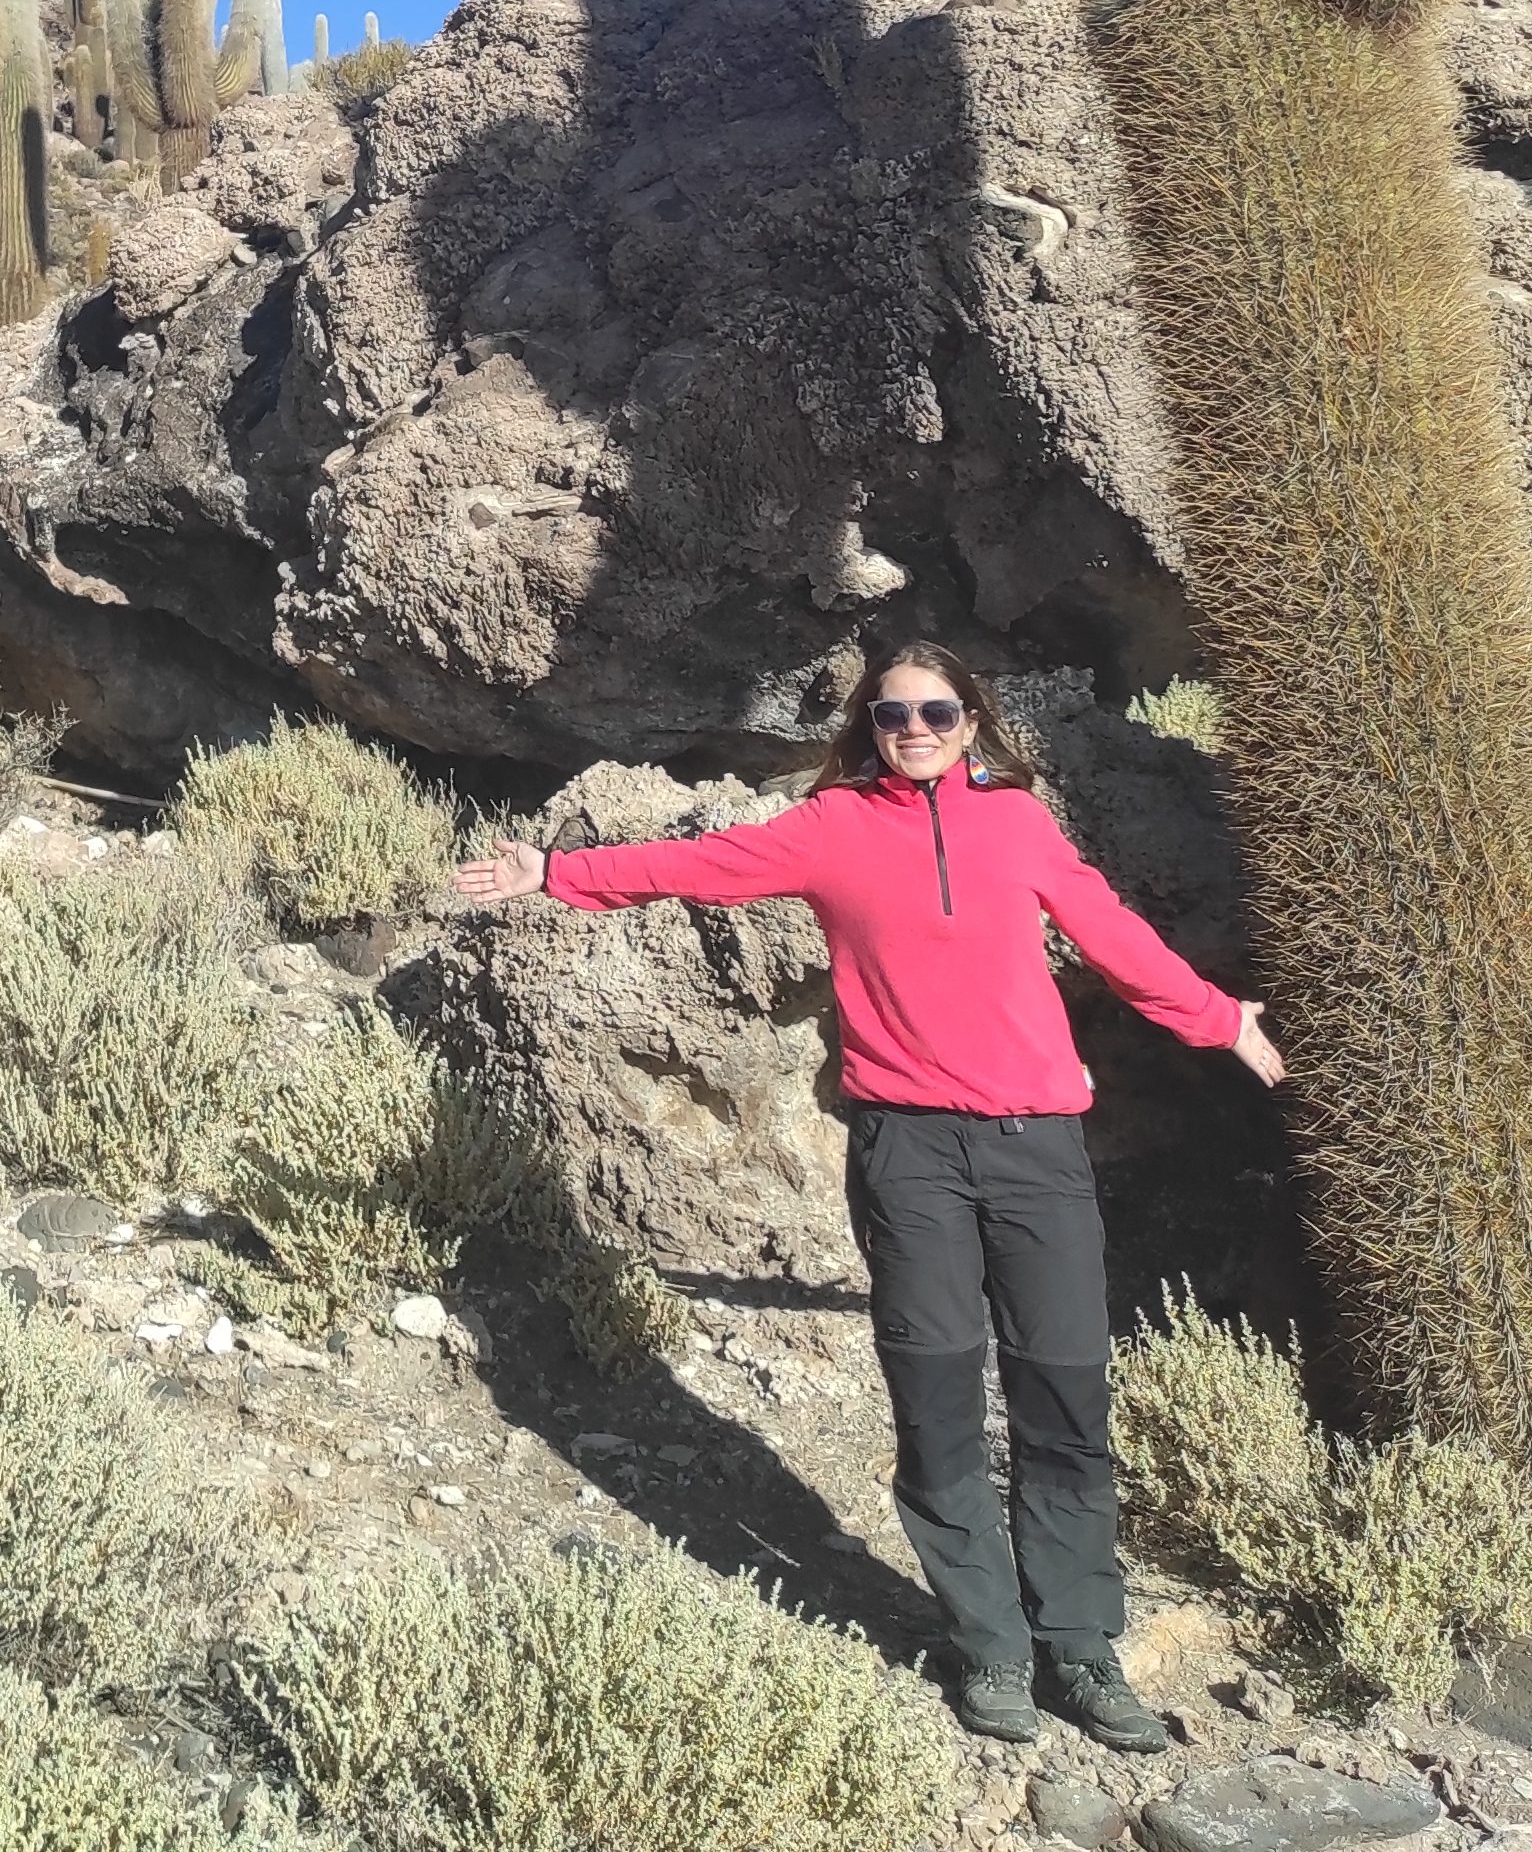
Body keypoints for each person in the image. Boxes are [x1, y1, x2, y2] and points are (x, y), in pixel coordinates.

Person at [449, 643, 1283, 1753]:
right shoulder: (831, 826)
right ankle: (987, 1647)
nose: (914, 727)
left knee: (1063, 1404)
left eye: (935, 709)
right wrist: (553, 874)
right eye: (891, 714)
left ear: (971, 719)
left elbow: (1113, 937)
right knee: (936, 1406)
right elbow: (700, 864)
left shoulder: (1019, 826)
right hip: (909, 1155)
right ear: (868, 726)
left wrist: (1217, 1019)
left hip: (1038, 1152)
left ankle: (1079, 1647)